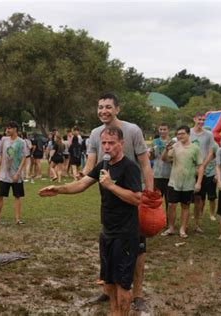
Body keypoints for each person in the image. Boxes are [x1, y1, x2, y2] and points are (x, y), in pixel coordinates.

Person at [39, 126, 142, 316]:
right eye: (104, 143)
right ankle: (113, 312)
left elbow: (137, 198)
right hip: (107, 232)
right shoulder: (104, 165)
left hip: (125, 235)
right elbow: (82, 183)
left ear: (122, 144)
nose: (107, 147)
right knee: (109, 282)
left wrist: (111, 186)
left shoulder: (130, 168)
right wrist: (59, 189)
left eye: (111, 143)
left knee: (123, 283)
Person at [83, 93, 153, 312]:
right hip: (111, 200)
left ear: (117, 109)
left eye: (108, 107)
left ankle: (138, 294)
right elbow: (92, 161)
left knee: (137, 250)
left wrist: (149, 197)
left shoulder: (132, 131)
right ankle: (107, 291)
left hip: (133, 195)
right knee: (110, 247)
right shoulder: (96, 133)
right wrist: (84, 176)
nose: (104, 111)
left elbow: (145, 164)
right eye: (100, 107)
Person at [161, 126, 203, 238]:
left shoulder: (195, 148)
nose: (180, 136)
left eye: (182, 133)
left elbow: (200, 166)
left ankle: (182, 229)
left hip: (188, 182)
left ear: (188, 134)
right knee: (171, 205)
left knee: (185, 206)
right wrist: (166, 149)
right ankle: (171, 228)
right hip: (174, 182)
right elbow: (164, 159)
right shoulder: (174, 146)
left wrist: (198, 182)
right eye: (178, 134)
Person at [0, 121, 29, 225]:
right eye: (7, 128)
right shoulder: (4, 140)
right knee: (0, 196)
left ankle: (18, 219)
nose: (7, 130)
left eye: (9, 128)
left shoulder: (21, 142)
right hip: (4, 175)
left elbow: (24, 158)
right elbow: (1, 155)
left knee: (17, 196)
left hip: (16, 175)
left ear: (15, 129)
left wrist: (18, 173)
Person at [190, 112, 214, 233]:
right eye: (199, 119)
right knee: (186, 199)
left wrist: (203, 165)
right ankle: (184, 223)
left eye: (203, 120)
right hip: (188, 170)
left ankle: (196, 224)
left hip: (202, 171)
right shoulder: (188, 133)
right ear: (194, 119)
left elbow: (211, 151)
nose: (201, 122)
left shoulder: (209, 135)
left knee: (199, 198)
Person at [150, 123, 172, 210]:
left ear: (168, 130)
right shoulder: (155, 142)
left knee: (169, 200)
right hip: (157, 174)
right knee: (156, 200)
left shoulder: (172, 142)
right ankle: (157, 220)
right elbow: (151, 158)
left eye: (164, 129)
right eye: (161, 129)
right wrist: (151, 152)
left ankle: (168, 220)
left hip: (169, 175)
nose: (162, 131)